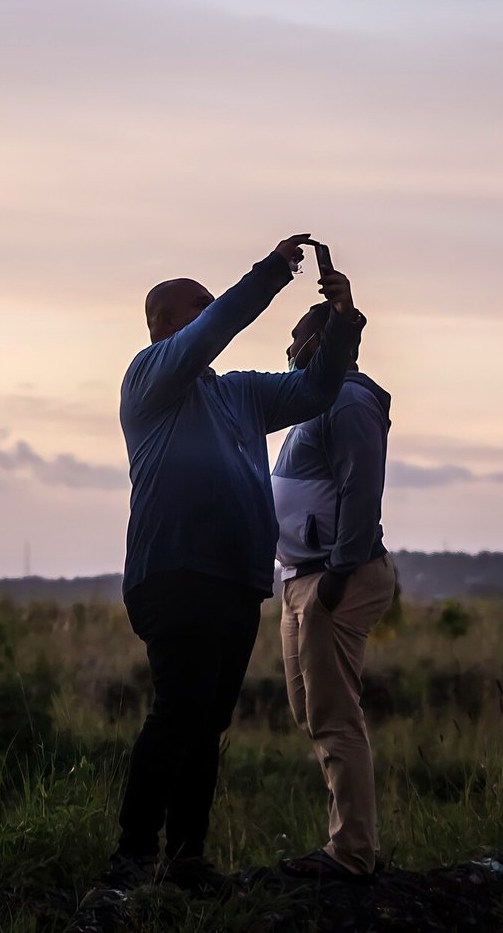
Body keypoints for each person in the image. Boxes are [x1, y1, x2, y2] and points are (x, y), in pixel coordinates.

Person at [105, 235, 365, 892]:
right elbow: (222, 323)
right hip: (175, 573)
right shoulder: (150, 377)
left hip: (236, 582)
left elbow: (318, 388)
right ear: (165, 324)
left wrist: (342, 323)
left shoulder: (240, 394)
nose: (213, 308)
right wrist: (274, 271)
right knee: (179, 711)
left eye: (211, 301)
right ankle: (132, 856)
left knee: (208, 722)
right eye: (200, 304)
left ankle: (185, 860)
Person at [271, 300, 395, 883]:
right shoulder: (314, 404)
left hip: (332, 578)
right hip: (303, 578)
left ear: (322, 341)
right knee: (312, 712)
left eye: (297, 338)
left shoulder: (346, 401)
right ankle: (350, 842)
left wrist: (338, 577)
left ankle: (351, 854)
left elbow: (360, 488)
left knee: (335, 719)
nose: (289, 349)